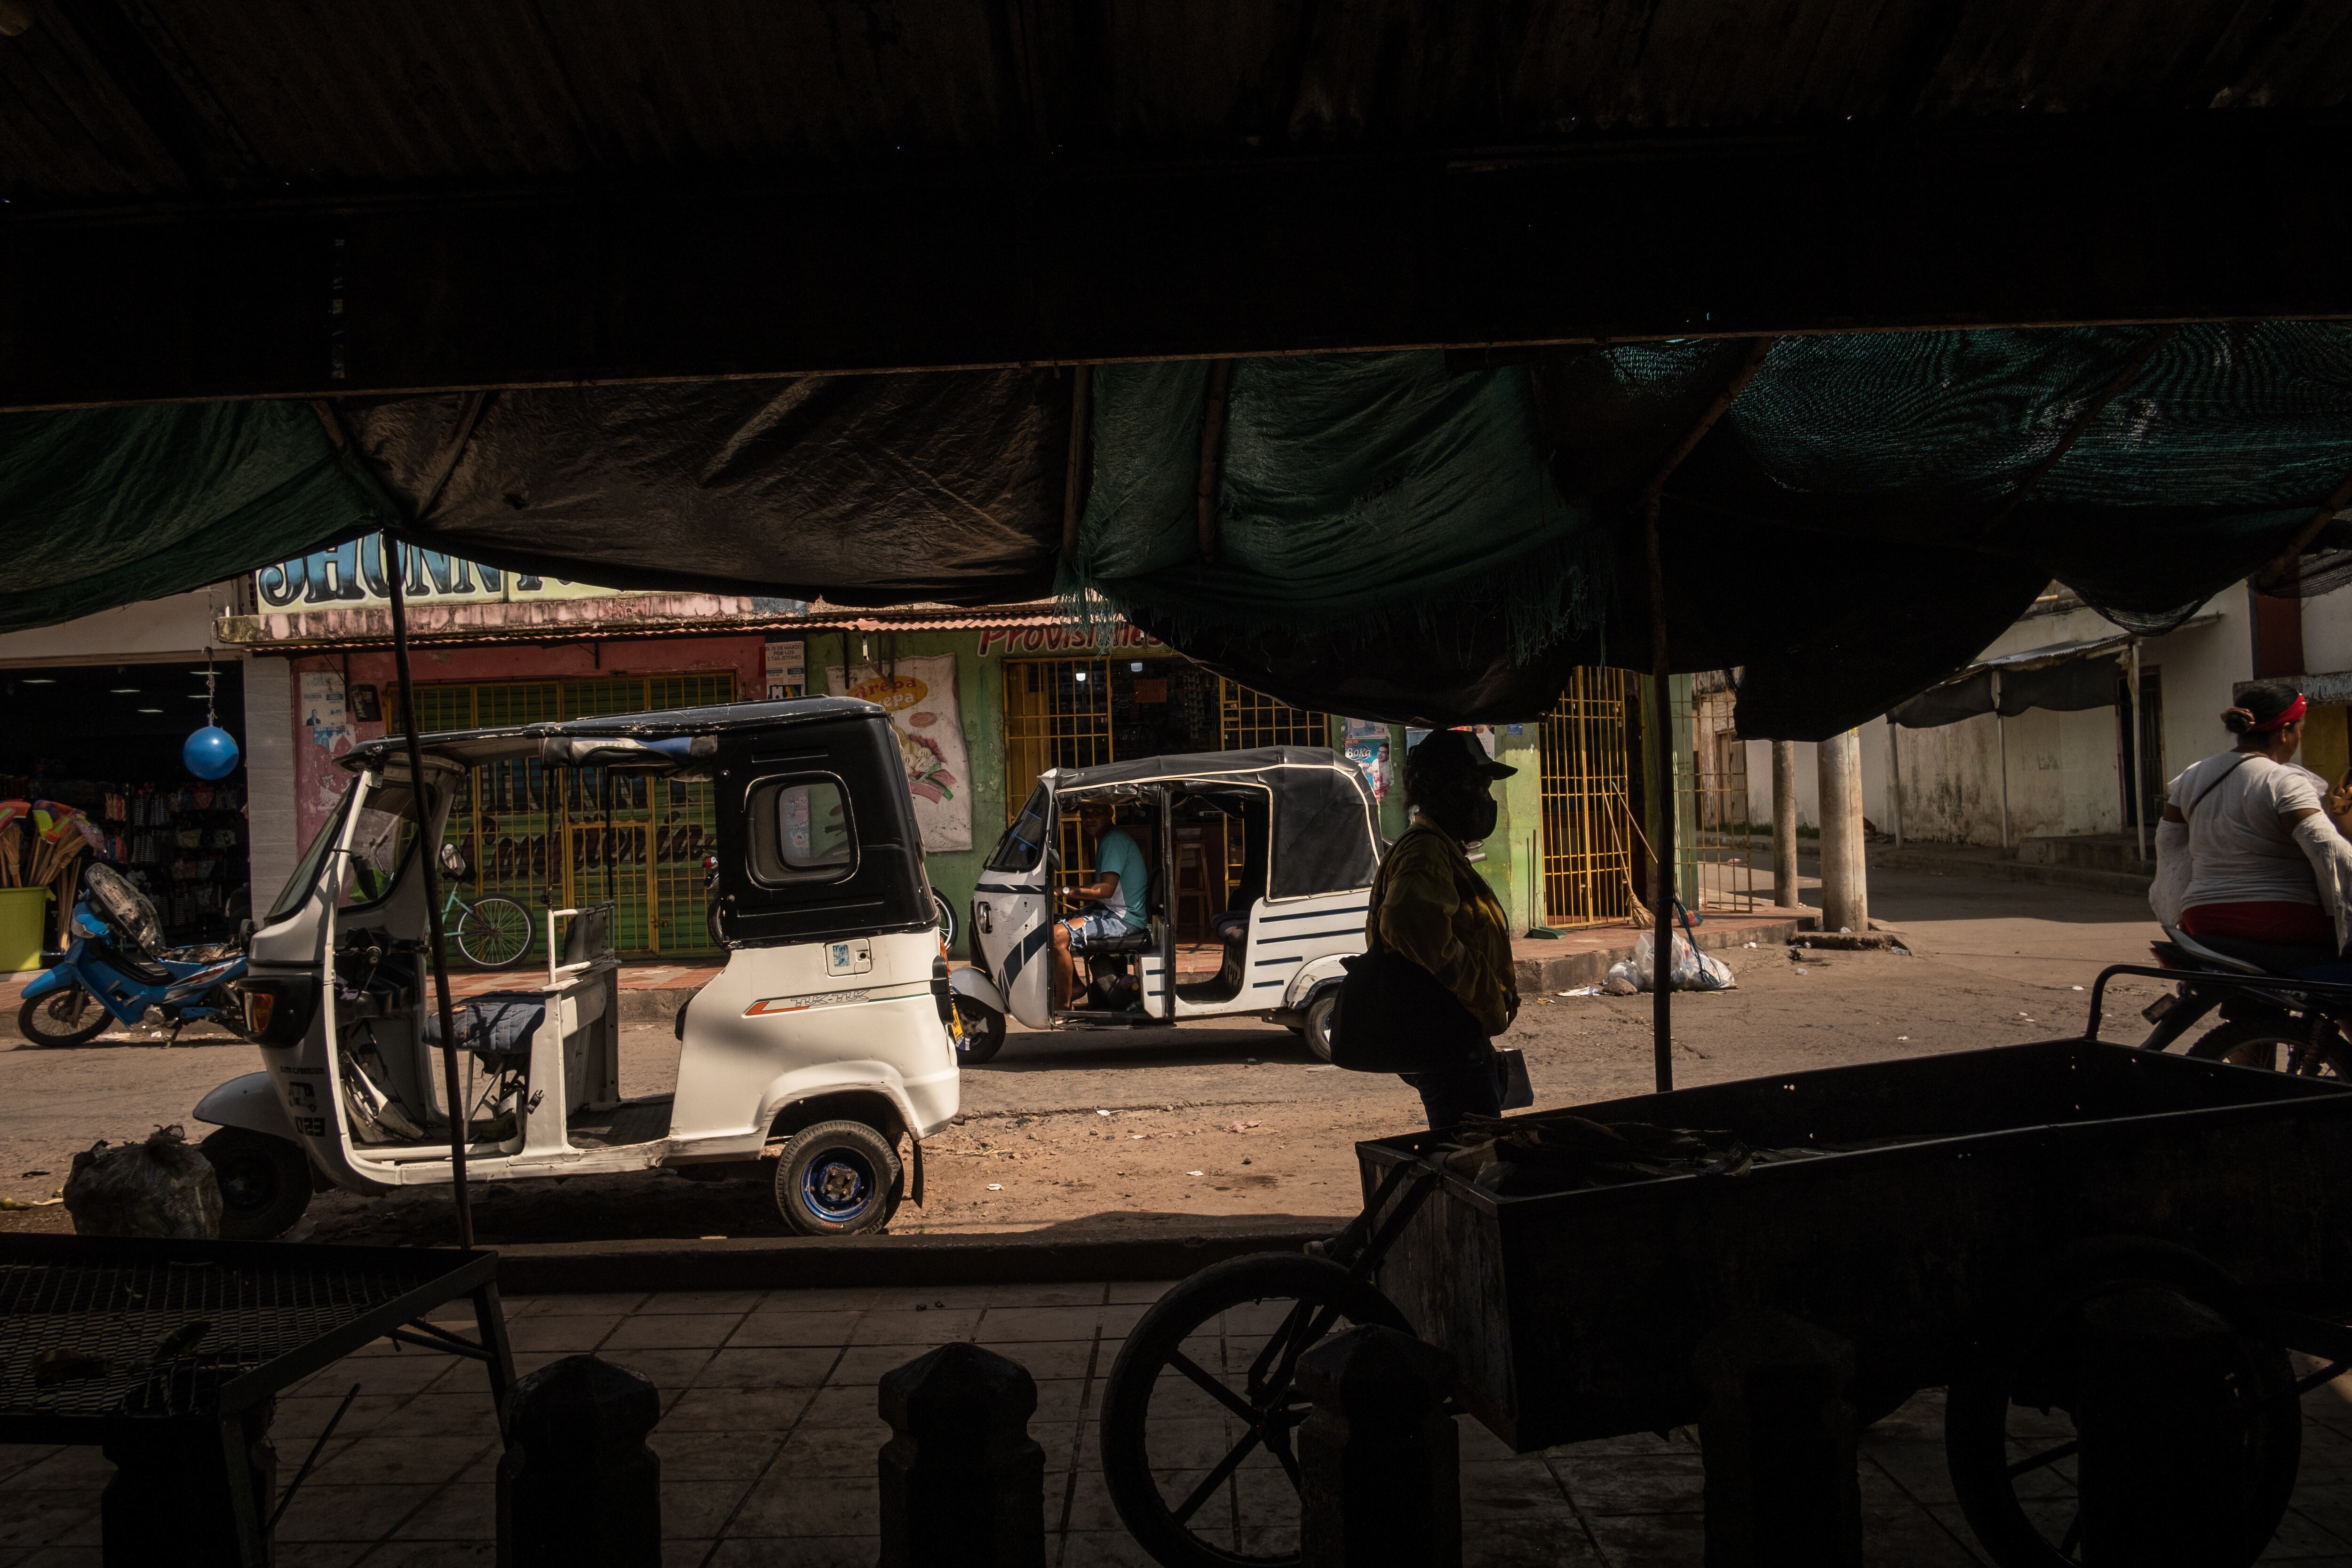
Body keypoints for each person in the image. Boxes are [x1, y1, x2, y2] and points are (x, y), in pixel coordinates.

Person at [1368, 729, 1519, 1130]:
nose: (1487, 801)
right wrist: (1484, 994)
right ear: (1453, 790)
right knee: (1473, 1158)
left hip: (1456, 1042)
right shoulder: (1426, 850)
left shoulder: (1441, 847)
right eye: (1481, 788)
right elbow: (1406, 919)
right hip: (1449, 1046)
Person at [2151, 680, 2352, 973]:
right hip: (2280, 918)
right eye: (2300, 729)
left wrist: (2176, 905)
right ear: (2285, 733)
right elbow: (2328, 849)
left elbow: (2168, 844)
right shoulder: (2285, 783)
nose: (2299, 738)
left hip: (2201, 918)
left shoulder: (2192, 776)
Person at [1050, 799, 1151, 1009]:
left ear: (1110, 813)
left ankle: (1063, 1004)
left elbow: (1104, 890)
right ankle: (1074, 986)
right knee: (1053, 923)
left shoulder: (1113, 841)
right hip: (1110, 910)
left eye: (1096, 812)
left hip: (1124, 918)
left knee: (1057, 935)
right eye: (1085, 814)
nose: (1089, 818)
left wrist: (1064, 891)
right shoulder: (1107, 839)